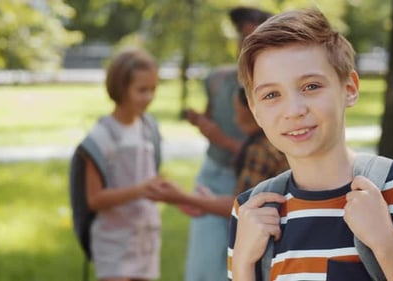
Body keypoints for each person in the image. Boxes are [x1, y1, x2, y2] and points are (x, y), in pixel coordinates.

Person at [228, 8, 393, 281]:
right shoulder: (251, 211)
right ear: (255, 110)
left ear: (349, 88)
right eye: (271, 94)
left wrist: (385, 242)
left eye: (311, 86)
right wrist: (243, 264)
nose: (293, 110)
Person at [181, 6, 273, 281]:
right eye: (242, 37)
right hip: (215, 173)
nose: (245, 44)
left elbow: (267, 151)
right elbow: (212, 116)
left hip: (253, 178)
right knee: (203, 265)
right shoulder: (218, 79)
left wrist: (222, 140)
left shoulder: (273, 85)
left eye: (254, 36)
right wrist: (201, 122)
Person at [83, 47, 162, 281]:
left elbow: (151, 176)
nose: (149, 97)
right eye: (141, 90)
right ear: (120, 88)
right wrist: (140, 190)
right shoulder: (101, 137)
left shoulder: (149, 129)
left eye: (153, 89)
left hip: (145, 238)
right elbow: (94, 199)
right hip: (114, 242)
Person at [150, 87, 289, 218]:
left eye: (237, 111)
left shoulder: (259, 150)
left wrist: (182, 198)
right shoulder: (276, 140)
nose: (235, 119)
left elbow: (244, 206)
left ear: (252, 111)